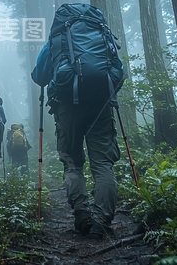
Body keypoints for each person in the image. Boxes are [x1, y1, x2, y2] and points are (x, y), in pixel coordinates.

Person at [31, 36, 121, 240]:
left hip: (67, 108)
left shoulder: (55, 42)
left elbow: (39, 76)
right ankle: (101, 222)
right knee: (103, 164)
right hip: (101, 105)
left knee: (72, 163)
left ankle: (82, 215)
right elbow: (117, 70)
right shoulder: (101, 37)